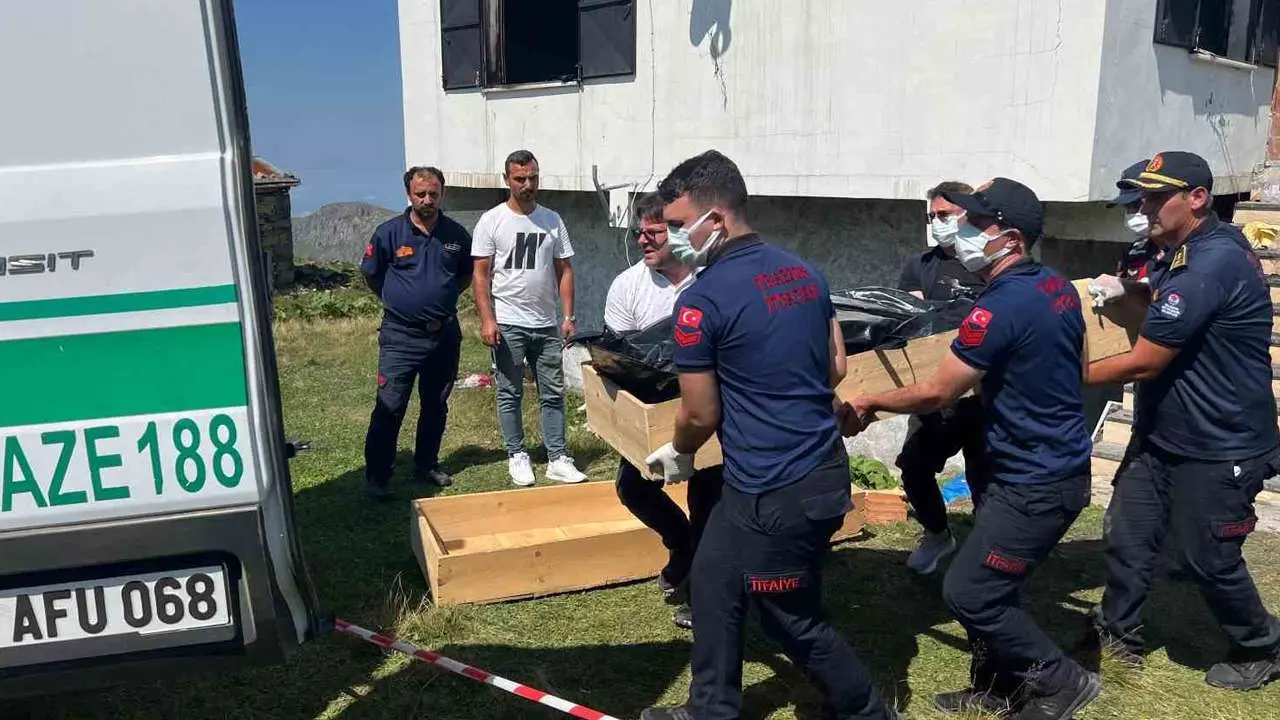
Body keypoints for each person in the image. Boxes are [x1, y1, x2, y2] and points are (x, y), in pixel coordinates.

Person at [640, 150, 889, 720]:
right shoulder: (804, 273)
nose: (671, 238)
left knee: (788, 618)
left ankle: (868, 712)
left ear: (715, 219)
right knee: (712, 577)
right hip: (801, 472)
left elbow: (700, 413)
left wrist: (680, 451)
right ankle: (712, 709)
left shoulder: (700, 303)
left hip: (777, 487)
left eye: (677, 225)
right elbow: (835, 367)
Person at [841, 178, 1101, 719]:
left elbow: (938, 391)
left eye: (977, 223)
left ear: (1010, 238)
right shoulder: (1057, 287)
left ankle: (1062, 681)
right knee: (991, 584)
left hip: (1034, 478)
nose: (962, 230)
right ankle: (997, 687)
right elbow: (1076, 368)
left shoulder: (998, 305)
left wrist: (868, 401)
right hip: (1045, 465)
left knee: (971, 591)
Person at [1084, 151, 1280, 689]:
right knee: (1128, 535)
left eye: (1155, 198)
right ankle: (1118, 634)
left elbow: (1145, 362)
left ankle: (1263, 645)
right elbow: (1167, 301)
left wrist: (1060, 371)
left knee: (1207, 557)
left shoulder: (1209, 262)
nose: (1144, 208)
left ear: (1196, 198)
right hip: (1164, 434)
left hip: (1220, 441)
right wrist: (1131, 291)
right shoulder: (1183, 251)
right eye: (1142, 197)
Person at [605, 192, 722, 630]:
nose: (643, 241)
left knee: (707, 500)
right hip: (653, 411)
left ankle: (702, 594)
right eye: (639, 233)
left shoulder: (711, 278)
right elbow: (619, 361)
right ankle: (681, 543)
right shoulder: (627, 286)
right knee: (633, 489)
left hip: (708, 408)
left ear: (677, 233)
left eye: (653, 233)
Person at [472, 150, 589, 487]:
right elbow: (480, 275)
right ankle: (517, 454)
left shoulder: (552, 220)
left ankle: (557, 457)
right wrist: (487, 320)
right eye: (520, 179)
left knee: (552, 392)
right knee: (510, 392)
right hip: (509, 321)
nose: (527, 184)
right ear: (507, 180)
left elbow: (565, 269)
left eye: (533, 178)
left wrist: (568, 316)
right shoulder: (492, 220)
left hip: (546, 322)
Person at [894, 180, 991, 575]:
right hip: (937, 391)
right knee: (914, 466)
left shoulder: (989, 264)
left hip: (985, 394)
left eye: (945, 215)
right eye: (932, 216)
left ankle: (987, 555)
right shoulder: (920, 265)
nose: (937, 222)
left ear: (967, 215)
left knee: (985, 477)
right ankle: (936, 533)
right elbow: (912, 320)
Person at [360, 166, 473, 500]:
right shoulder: (388, 233)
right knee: (390, 405)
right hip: (401, 337)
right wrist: (402, 302)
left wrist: (438, 299)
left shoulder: (456, 235)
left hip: (444, 335)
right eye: (420, 194)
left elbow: (465, 276)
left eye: (433, 194)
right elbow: (372, 275)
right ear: (409, 194)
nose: (427, 200)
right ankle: (378, 476)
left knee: (436, 405)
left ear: (442, 194)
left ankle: (426, 464)